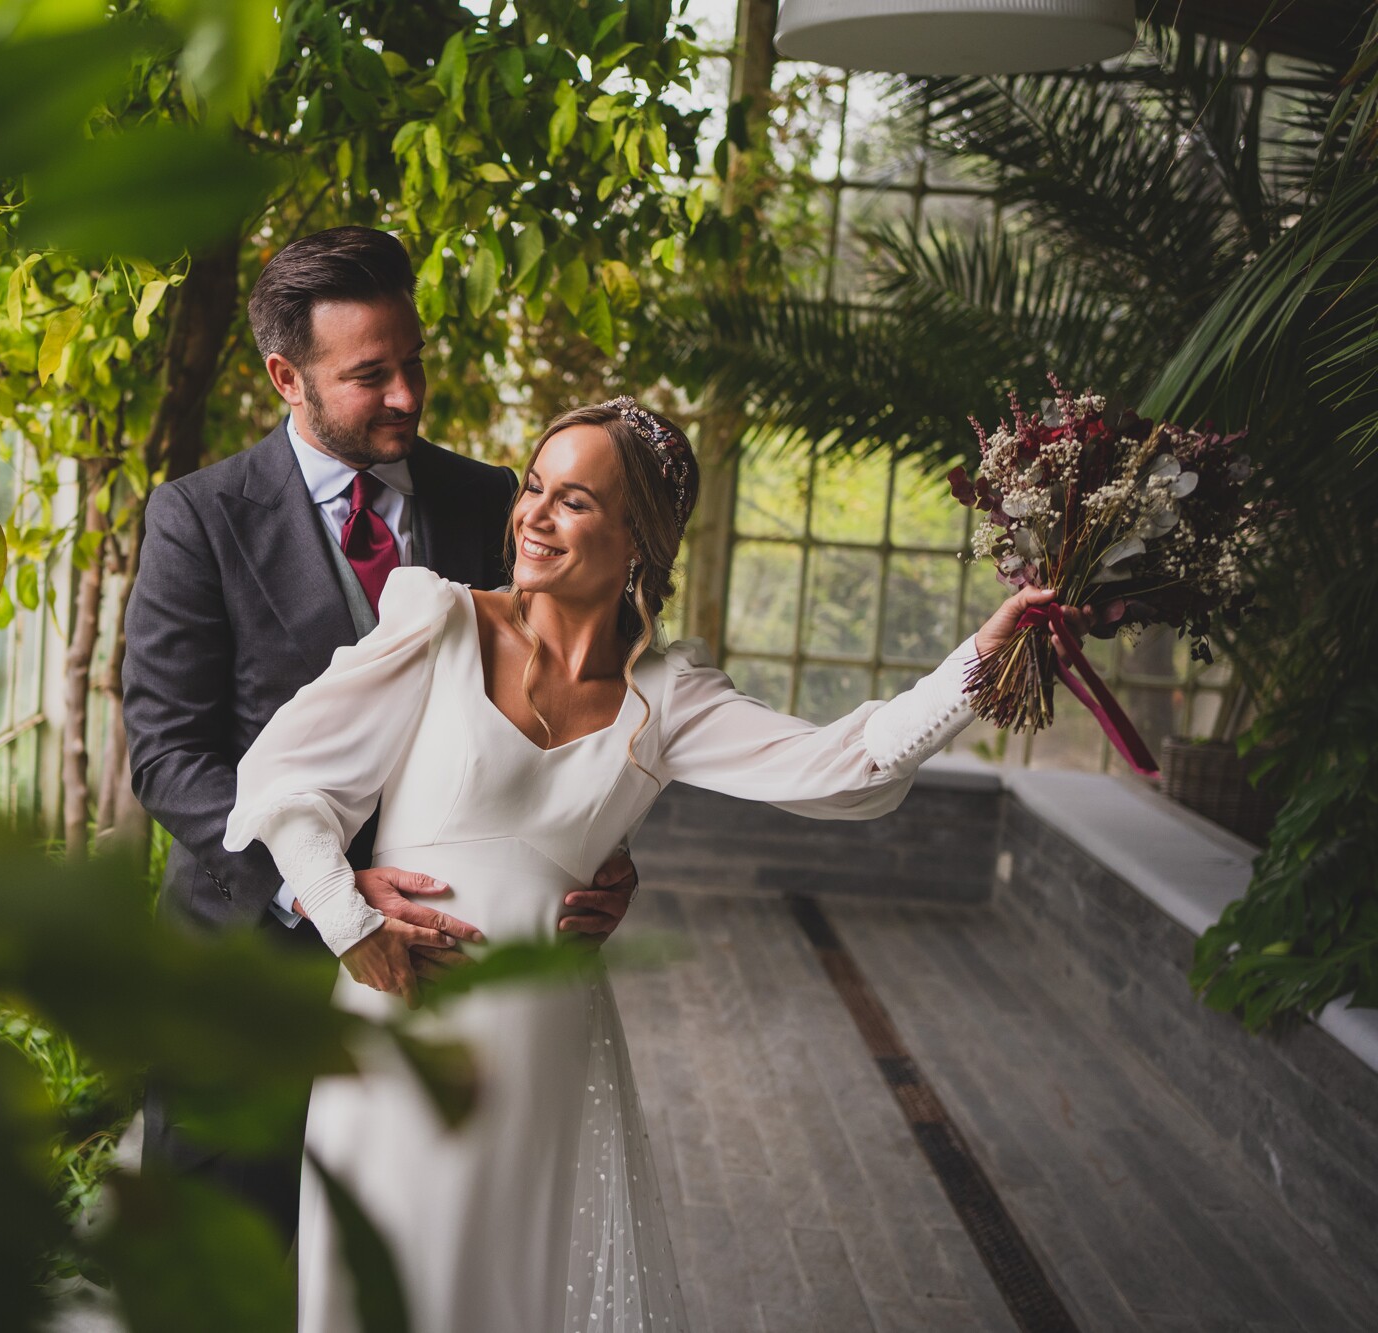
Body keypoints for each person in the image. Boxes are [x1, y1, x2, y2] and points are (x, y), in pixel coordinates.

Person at [224, 399, 1086, 1332]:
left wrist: (980, 660)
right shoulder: (437, 620)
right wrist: (349, 923)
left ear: (639, 538)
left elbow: (848, 765)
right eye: (534, 489)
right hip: (401, 1033)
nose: (535, 517)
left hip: (544, 1052)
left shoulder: (666, 696)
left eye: (576, 501)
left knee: (515, 1301)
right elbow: (282, 777)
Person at [121, 226, 640, 1240]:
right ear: (286, 376)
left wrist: (600, 847)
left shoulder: (493, 505)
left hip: (445, 981)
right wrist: (324, 887)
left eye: (412, 362)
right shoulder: (197, 518)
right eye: (370, 376)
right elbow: (172, 759)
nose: (406, 394)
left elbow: (561, 700)